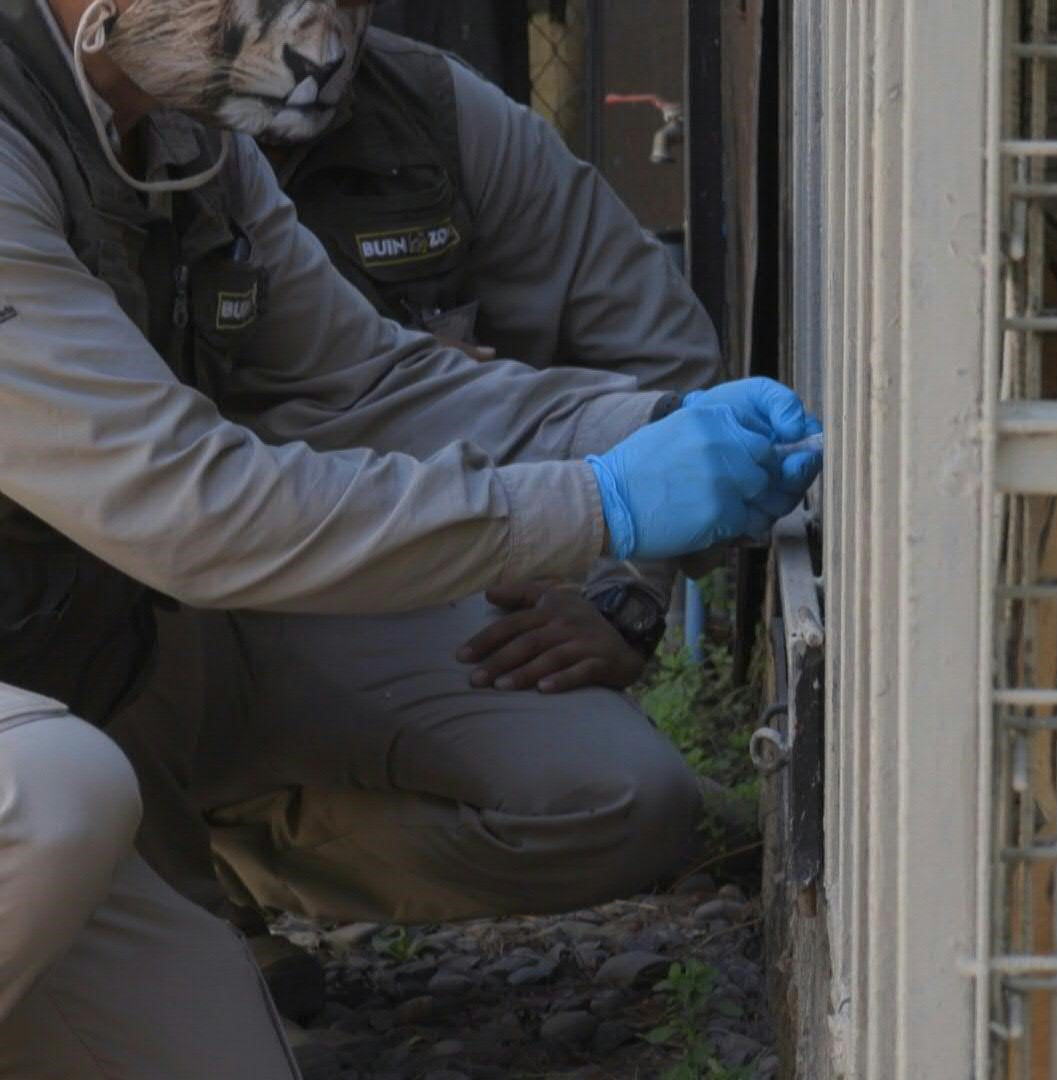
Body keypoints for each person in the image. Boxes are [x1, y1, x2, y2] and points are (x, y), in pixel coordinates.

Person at [0, 0, 821, 1075]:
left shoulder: (185, 133)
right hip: (59, 695)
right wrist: (596, 503)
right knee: (58, 794)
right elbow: (189, 512)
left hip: (121, 638)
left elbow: (369, 380)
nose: (314, 37)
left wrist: (641, 430)